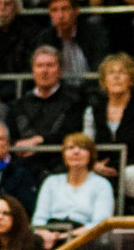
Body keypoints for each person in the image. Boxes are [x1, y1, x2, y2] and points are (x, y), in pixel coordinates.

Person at [31, 133, 115, 248]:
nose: (76, 152)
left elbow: (100, 223)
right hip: (49, 236)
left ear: (91, 154)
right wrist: (46, 235)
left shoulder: (102, 185)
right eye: (70, 148)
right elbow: (39, 219)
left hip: (85, 239)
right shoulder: (51, 182)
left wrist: (66, 237)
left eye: (82, 148)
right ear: (64, 155)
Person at [10, 45, 84, 175]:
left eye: (50, 65)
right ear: (33, 71)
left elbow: (71, 133)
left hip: (62, 166)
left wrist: (39, 140)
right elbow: (11, 136)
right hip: (24, 166)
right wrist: (18, 145)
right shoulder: (18, 105)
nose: (44, 71)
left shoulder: (75, 101)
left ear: (60, 71)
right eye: (39, 66)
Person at [86, 53, 134, 200]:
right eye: (111, 73)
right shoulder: (93, 110)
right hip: (102, 167)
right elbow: (86, 144)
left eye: (122, 72)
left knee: (128, 176)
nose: (116, 77)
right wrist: (94, 164)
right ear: (104, 81)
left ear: (131, 79)